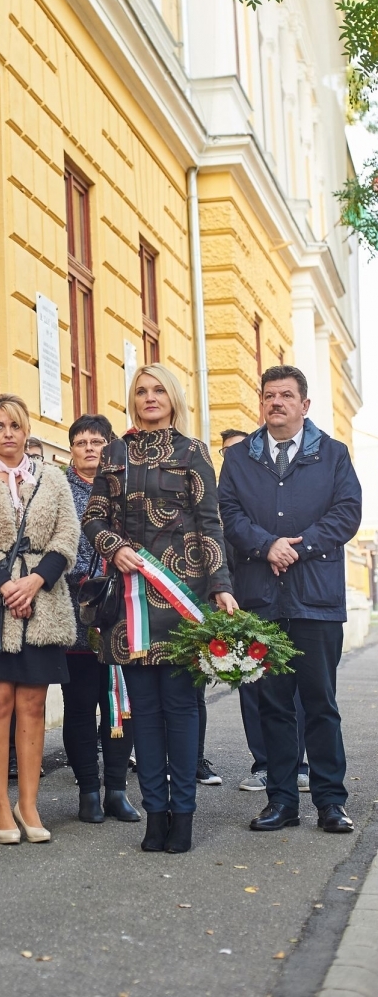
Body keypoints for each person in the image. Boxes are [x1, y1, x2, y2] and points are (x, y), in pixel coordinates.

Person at [82, 364, 235, 854]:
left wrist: (221, 588)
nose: (149, 398)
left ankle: (184, 816)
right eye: (141, 391)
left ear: (172, 398)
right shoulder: (114, 453)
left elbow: (210, 524)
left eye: (158, 391)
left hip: (182, 599)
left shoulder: (193, 453)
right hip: (130, 601)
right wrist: (112, 546)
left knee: (182, 711)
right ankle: (155, 813)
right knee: (143, 715)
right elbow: (94, 515)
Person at [218, 365, 362, 834]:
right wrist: (265, 545)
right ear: (260, 404)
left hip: (315, 600)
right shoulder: (240, 459)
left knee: (320, 703)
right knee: (273, 705)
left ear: (305, 405)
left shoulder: (334, 455)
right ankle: (281, 802)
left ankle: (330, 803)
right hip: (260, 598)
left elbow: (347, 512)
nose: (276, 403)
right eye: (268, 396)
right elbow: (229, 513)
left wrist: (297, 546)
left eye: (285, 395)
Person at [0, 394, 79, 844]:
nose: (8, 433)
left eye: (15, 426)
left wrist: (35, 582)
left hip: (42, 603)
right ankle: (0, 805)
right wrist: (7, 585)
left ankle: (29, 803)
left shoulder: (53, 479)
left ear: (26, 431)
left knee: (33, 706)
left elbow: (67, 537)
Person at [218, 428, 311, 795]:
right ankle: (263, 764)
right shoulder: (224, 499)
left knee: (294, 687)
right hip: (242, 601)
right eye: (225, 453)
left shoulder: (270, 488)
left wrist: (270, 549)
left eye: (237, 451)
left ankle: (297, 764)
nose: (232, 458)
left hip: (286, 591)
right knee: (252, 687)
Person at [62, 415, 139, 824]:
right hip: (75, 612)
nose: (90, 448)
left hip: (121, 612)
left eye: (97, 441)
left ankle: (116, 790)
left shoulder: (124, 487)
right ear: (71, 448)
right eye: (81, 442)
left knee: (118, 707)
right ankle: (88, 791)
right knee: (78, 705)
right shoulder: (57, 488)